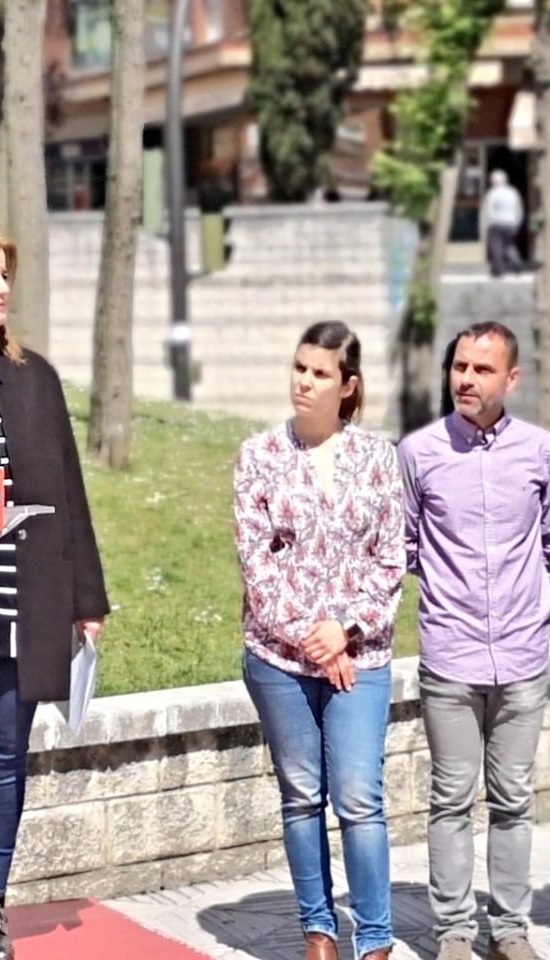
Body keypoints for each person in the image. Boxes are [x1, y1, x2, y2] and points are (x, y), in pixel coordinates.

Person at [0, 226, 110, 960]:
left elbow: (68, 489)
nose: (4, 290)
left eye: (7, 276)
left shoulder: (34, 376)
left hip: (23, 596)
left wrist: (86, 600)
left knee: (6, 757)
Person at [234, 320, 405, 960]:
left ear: (348, 386)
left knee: (359, 798)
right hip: (280, 658)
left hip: (362, 656)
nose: (304, 382)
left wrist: (345, 632)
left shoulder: (378, 459)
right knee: (302, 795)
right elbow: (259, 565)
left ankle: (377, 940)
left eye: (320, 373)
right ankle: (319, 934)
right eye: (300, 368)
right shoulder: (259, 456)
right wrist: (313, 640)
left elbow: (391, 560)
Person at [397, 321, 550, 960]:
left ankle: (510, 930)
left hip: (523, 655)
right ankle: (455, 932)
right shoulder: (418, 451)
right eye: (460, 366)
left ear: (511, 379)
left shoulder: (540, 451)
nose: (466, 379)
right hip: (451, 655)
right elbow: (404, 546)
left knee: (514, 800)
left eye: (482, 370)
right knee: (451, 799)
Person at [483, 170, 524, 278]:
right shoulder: (513, 192)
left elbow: (489, 210)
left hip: (496, 223)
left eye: (491, 181)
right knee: (509, 245)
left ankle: (498, 271)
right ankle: (516, 261)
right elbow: (518, 209)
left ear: (494, 181)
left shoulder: (492, 193)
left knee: (497, 247)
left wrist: (487, 224)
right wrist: (517, 223)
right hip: (511, 223)